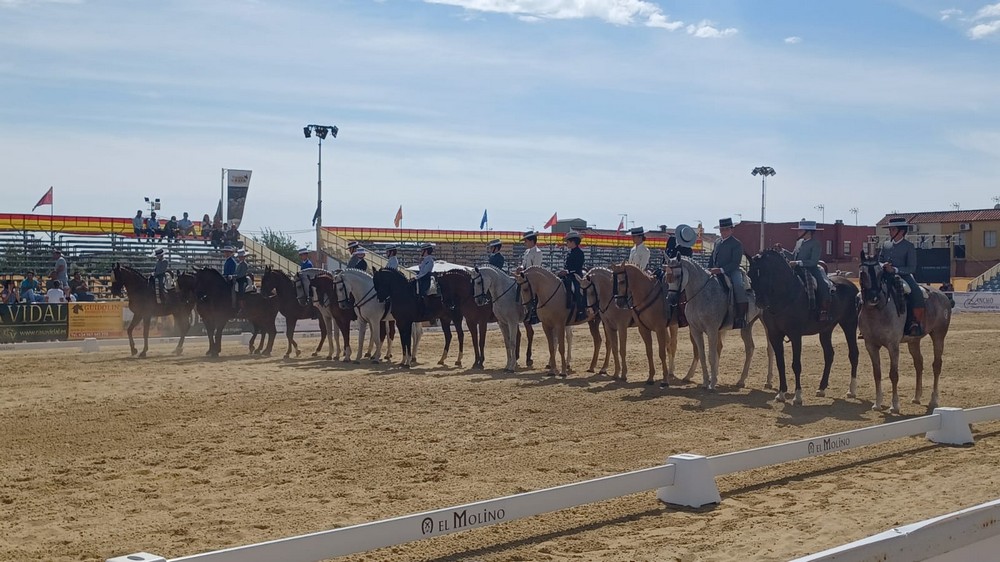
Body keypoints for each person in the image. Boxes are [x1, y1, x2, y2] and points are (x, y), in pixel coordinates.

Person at [879, 216, 926, 336]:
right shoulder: (885, 245)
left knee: (915, 292)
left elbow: (911, 268)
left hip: (903, 276)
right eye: (890, 229)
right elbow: (879, 260)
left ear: (901, 231)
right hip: (884, 274)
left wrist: (894, 269)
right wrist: (882, 264)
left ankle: (915, 322)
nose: (890, 232)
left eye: (893, 229)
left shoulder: (909, 246)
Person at [783, 220, 831, 320]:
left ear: (808, 232)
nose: (798, 232)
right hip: (796, 269)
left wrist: (797, 263)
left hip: (811, 269)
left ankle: (824, 310)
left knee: (822, 285)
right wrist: (782, 251)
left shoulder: (815, 244)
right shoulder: (799, 242)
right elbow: (793, 256)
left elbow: (813, 261)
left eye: (801, 230)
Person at [708, 218, 748, 329]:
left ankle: (741, 317)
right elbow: (712, 257)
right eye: (722, 229)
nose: (723, 232)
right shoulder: (717, 242)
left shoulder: (736, 244)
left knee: (738, 286)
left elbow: (735, 263)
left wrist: (720, 270)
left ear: (731, 230)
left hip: (731, 271)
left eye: (726, 229)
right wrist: (709, 268)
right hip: (715, 270)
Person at [559, 231, 587, 320]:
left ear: (572, 242)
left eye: (567, 241)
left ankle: (580, 310)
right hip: (567, 275)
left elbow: (578, 267)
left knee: (576, 289)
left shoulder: (580, 253)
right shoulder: (569, 252)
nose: (566, 243)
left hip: (576, 276)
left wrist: (567, 271)